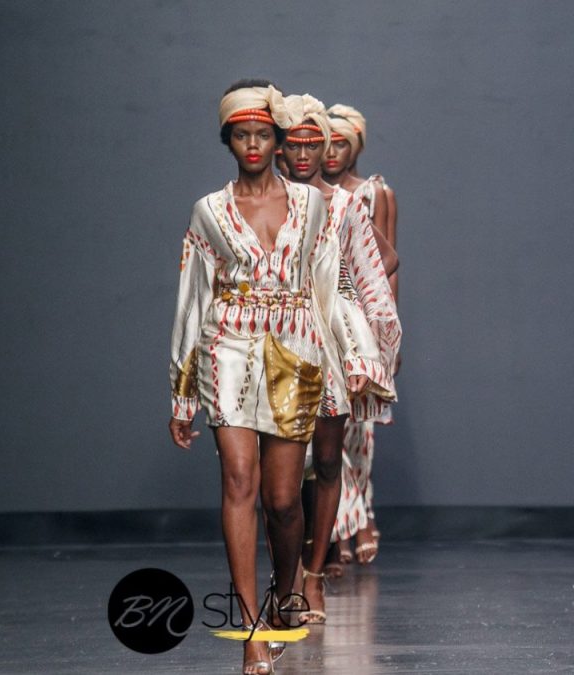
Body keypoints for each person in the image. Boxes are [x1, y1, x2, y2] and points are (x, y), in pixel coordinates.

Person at [168, 80, 393, 675]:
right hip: (227, 349)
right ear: (227, 141)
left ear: (276, 140)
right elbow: (192, 300)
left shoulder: (312, 206)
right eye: (241, 135)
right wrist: (181, 393)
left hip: (297, 351)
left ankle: (285, 589)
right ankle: (251, 629)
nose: (252, 145)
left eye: (262, 135)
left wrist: (357, 356)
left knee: (284, 501)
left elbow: (329, 289)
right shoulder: (208, 212)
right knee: (238, 480)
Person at [276, 95, 400, 622]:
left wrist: (374, 339)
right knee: (279, 477)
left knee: (328, 460)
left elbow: (383, 260)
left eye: (315, 144)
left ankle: (312, 576)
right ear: (281, 150)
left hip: (331, 342)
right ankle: (288, 575)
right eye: (296, 144)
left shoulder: (347, 203)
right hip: (276, 341)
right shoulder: (268, 201)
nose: (306, 154)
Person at [322, 104, 400, 566]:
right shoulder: (307, 194)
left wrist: (387, 331)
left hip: (362, 319)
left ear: (357, 146)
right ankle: (340, 530)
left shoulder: (375, 193)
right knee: (327, 429)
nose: (332, 152)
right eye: (326, 142)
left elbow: (388, 262)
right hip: (321, 318)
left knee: (358, 430)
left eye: (342, 143)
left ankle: (358, 515)